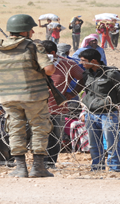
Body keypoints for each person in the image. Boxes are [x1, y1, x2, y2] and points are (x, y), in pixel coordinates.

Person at [0, 14, 56, 177]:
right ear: (24, 31)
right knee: (39, 128)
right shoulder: (33, 47)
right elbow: (49, 70)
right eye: (30, 29)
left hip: (9, 97)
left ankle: (20, 168)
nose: (33, 32)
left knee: (15, 129)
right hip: (34, 96)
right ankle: (38, 167)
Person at [79, 49, 120, 172]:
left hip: (108, 113)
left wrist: (111, 105)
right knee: (94, 144)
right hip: (91, 113)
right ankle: (97, 167)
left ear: (94, 61)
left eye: (84, 61)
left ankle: (114, 168)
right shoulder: (87, 74)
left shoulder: (111, 73)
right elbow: (87, 92)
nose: (81, 63)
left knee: (112, 143)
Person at [41, 40, 85, 168]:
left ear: (52, 53)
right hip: (37, 108)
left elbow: (83, 77)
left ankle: (50, 163)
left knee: (55, 138)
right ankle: (40, 163)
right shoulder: (35, 63)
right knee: (39, 136)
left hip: (58, 108)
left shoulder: (67, 64)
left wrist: (72, 93)